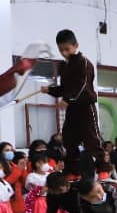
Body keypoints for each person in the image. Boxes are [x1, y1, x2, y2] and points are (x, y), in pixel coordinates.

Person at [41, 30, 102, 178]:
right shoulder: (65, 66)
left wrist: (67, 99)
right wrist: (50, 89)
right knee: (68, 138)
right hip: (72, 108)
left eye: (67, 49)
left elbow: (81, 86)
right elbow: (65, 88)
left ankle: (100, 170)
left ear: (76, 45)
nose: (64, 53)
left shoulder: (84, 63)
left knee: (91, 139)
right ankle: (73, 171)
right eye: (61, 50)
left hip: (85, 106)